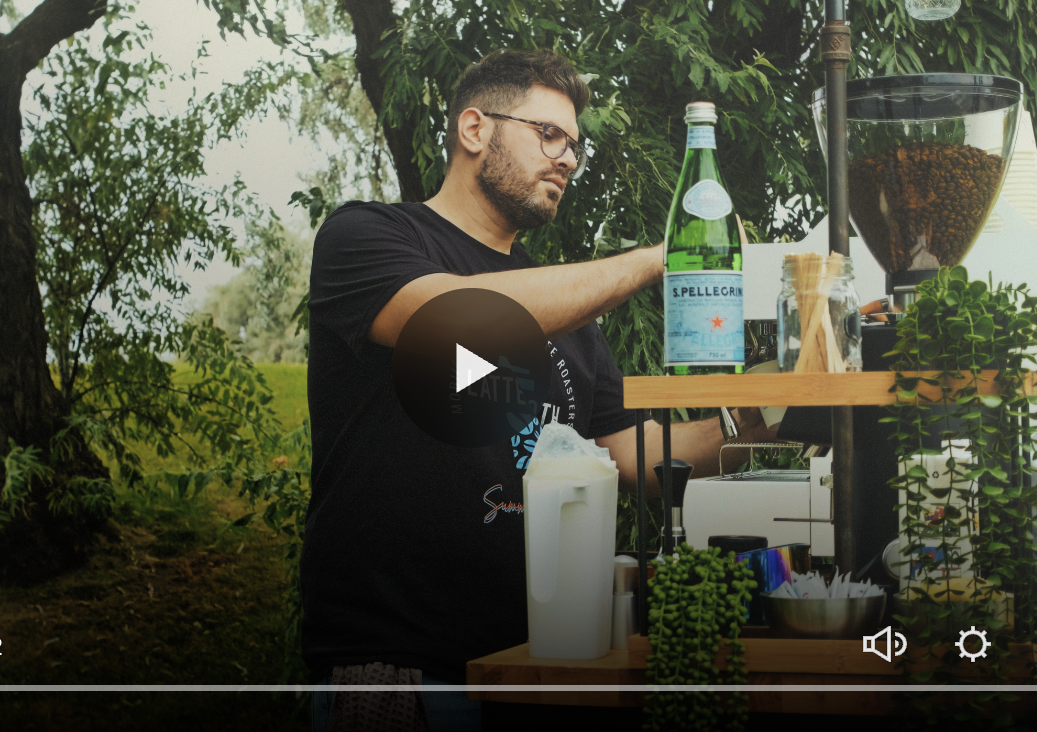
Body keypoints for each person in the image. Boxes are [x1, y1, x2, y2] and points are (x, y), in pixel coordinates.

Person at [303, 48, 774, 731]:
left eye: (576, 146)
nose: (568, 159)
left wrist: (765, 417)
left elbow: (634, 458)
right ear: (474, 130)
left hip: (537, 665)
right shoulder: (369, 237)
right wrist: (660, 257)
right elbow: (451, 319)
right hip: (403, 666)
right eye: (548, 134)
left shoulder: (573, 321)